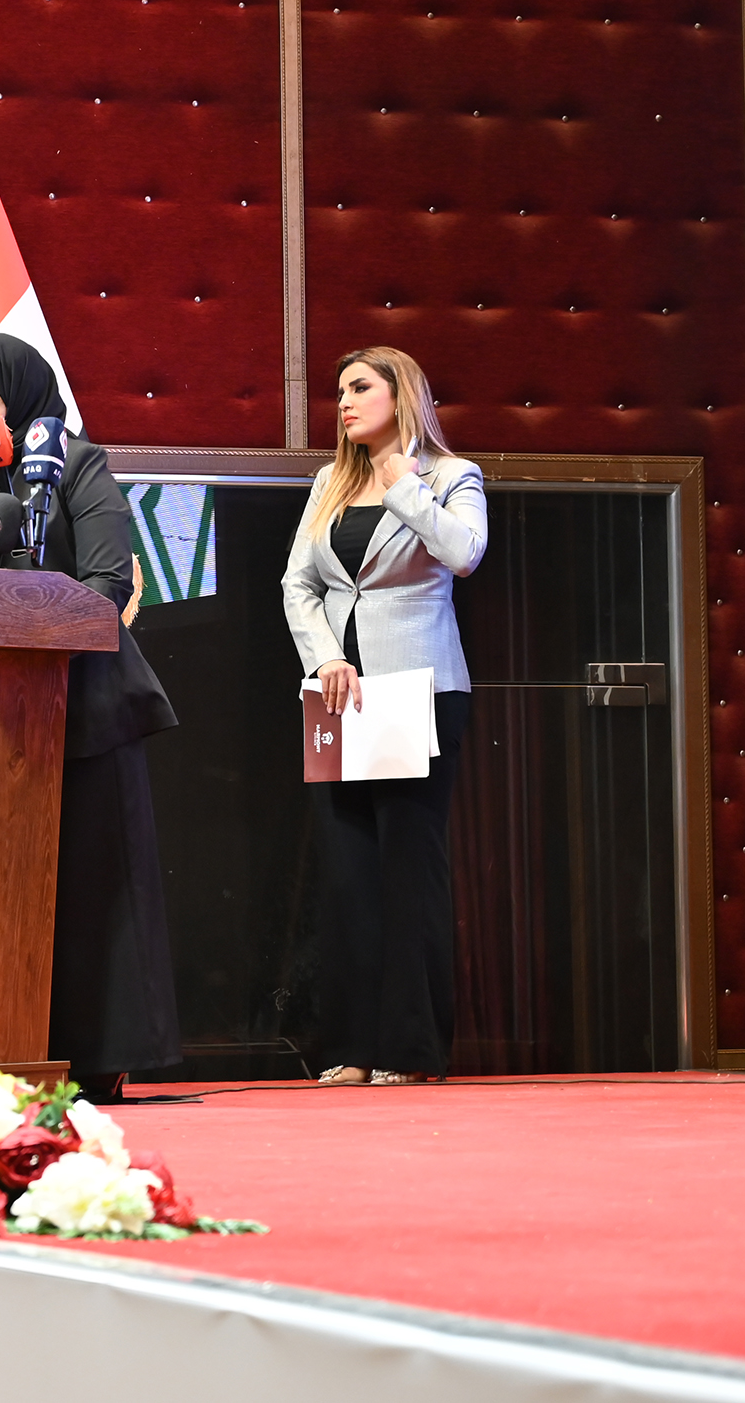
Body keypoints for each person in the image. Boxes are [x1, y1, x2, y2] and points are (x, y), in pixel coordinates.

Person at [0, 335, 182, 1101]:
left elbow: (108, 585)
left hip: (83, 706)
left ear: (19, 389)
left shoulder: (77, 463)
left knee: (88, 886)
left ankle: (96, 1054)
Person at [281, 346, 488, 1086]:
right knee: (349, 876)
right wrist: (324, 657)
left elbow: (464, 553)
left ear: (401, 394)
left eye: (359, 387)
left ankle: (410, 1049)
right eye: (339, 390)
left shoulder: (450, 475)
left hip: (419, 695)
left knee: (408, 872)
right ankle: (353, 1047)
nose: (342, 401)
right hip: (340, 696)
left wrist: (404, 485)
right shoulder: (329, 482)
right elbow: (298, 584)